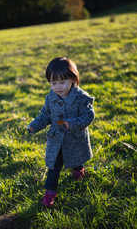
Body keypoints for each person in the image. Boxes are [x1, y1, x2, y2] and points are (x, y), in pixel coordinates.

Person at [27, 57, 95, 207]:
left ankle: (78, 170)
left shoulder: (81, 98)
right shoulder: (50, 98)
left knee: (75, 158)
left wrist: (73, 123)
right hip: (56, 139)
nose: (58, 87)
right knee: (53, 167)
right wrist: (34, 126)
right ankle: (50, 191)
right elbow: (45, 115)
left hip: (74, 137)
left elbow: (88, 116)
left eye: (62, 82)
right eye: (53, 83)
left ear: (73, 79)